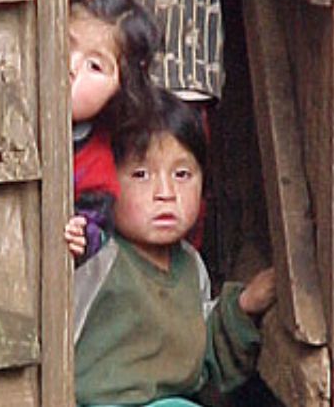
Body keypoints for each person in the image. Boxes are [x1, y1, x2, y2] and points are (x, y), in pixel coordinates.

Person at [65, 89, 277, 406]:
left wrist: (244, 306)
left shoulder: (190, 264)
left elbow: (199, 355)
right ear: (106, 181)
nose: (165, 192)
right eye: (141, 174)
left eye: (182, 174)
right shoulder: (95, 255)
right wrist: (70, 240)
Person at [68, 0, 161, 261]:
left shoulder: (95, 166)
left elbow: (98, 228)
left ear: (118, 93)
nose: (71, 67)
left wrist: (82, 235)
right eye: (66, 45)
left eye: (95, 66)